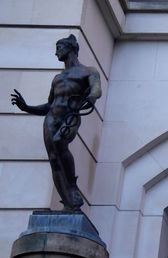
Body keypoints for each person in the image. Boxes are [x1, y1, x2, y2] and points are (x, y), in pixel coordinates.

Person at [10, 34, 101, 211]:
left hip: (71, 116)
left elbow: (96, 89)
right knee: (53, 158)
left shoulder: (89, 71)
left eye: (59, 48)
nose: (56, 53)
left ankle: (72, 186)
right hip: (52, 118)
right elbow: (50, 105)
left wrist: (91, 97)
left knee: (60, 143)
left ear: (71, 48)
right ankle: (67, 202)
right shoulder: (58, 78)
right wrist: (27, 107)